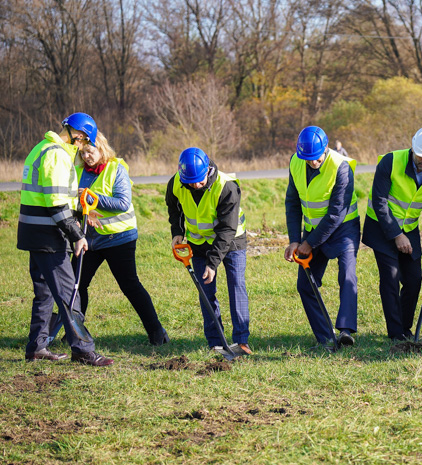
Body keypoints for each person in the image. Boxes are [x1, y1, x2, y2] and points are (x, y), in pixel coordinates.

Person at [19, 113, 114, 366]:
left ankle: (36, 347)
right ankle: (83, 350)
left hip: (33, 232)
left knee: (44, 294)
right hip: (50, 237)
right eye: (84, 142)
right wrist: (77, 235)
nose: (82, 147)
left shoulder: (40, 148)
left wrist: (80, 209)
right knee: (69, 294)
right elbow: (56, 203)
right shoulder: (58, 154)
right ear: (79, 135)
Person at [74, 133, 169, 346]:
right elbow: (74, 202)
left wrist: (91, 198)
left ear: (102, 149)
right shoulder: (78, 171)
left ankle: (157, 333)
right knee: (76, 284)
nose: (87, 156)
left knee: (130, 285)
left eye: (91, 151)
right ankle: (76, 332)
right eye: (83, 152)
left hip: (120, 238)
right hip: (90, 239)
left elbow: (123, 203)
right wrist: (84, 207)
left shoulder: (117, 169)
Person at [166, 147, 251, 354]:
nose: (195, 185)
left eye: (199, 181)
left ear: (208, 170)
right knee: (206, 292)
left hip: (231, 242)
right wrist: (177, 231)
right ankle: (216, 342)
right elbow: (173, 207)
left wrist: (213, 263)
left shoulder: (227, 187)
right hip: (198, 244)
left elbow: (227, 229)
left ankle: (241, 341)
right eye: (190, 181)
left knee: (236, 286)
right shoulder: (176, 183)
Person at [362, 127, 422, 342]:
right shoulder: (390, 161)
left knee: (414, 279)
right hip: (382, 227)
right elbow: (379, 202)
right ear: (413, 149)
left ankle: (405, 327)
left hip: (409, 230)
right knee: (390, 277)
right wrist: (396, 235)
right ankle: (396, 334)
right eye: (421, 157)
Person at [284, 126, 360, 350]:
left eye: (316, 159)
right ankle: (325, 337)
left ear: (325, 149)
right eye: (307, 159)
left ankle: (345, 332)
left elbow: (336, 213)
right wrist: (294, 240)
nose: (312, 163)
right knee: (305, 284)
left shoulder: (341, 167)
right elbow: (292, 202)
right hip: (312, 229)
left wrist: (308, 244)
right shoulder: (296, 162)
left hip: (343, 228)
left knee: (347, 275)